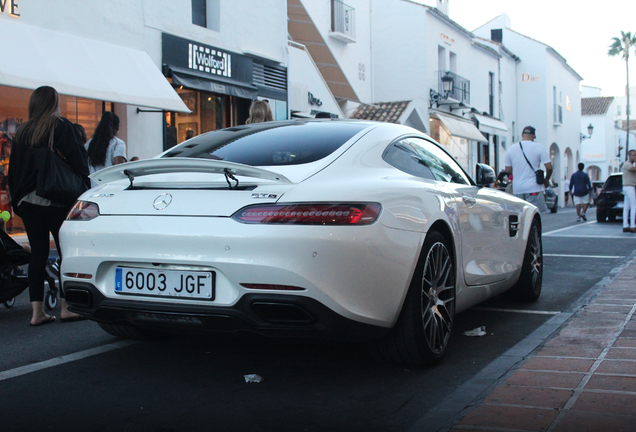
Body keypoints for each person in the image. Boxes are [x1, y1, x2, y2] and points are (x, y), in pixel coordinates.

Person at [8, 85, 90, 326]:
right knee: (65, 253)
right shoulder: (60, 126)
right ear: (54, 102)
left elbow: (14, 171)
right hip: (56, 199)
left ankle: (37, 312)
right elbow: (78, 159)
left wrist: (17, 202)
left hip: (28, 201)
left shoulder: (22, 132)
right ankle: (66, 307)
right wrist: (84, 185)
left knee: (38, 254)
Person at [504, 126, 552, 214]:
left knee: (521, 215)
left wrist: (518, 172)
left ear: (522, 135)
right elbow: (549, 167)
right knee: (534, 215)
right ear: (534, 136)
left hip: (517, 189)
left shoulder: (511, 148)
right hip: (534, 188)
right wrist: (546, 179)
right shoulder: (539, 147)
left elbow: (507, 169)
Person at [85, 112, 126, 186]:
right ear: (117, 127)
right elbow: (119, 169)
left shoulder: (90, 143)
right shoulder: (118, 143)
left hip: (93, 187)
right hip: (111, 187)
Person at [622, 149, 636, 233]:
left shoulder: (629, 164)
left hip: (628, 187)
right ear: (630, 156)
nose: (635, 157)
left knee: (627, 207)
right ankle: (633, 226)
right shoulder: (627, 164)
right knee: (634, 205)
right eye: (634, 155)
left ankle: (625, 225)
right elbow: (633, 169)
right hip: (629, 187)